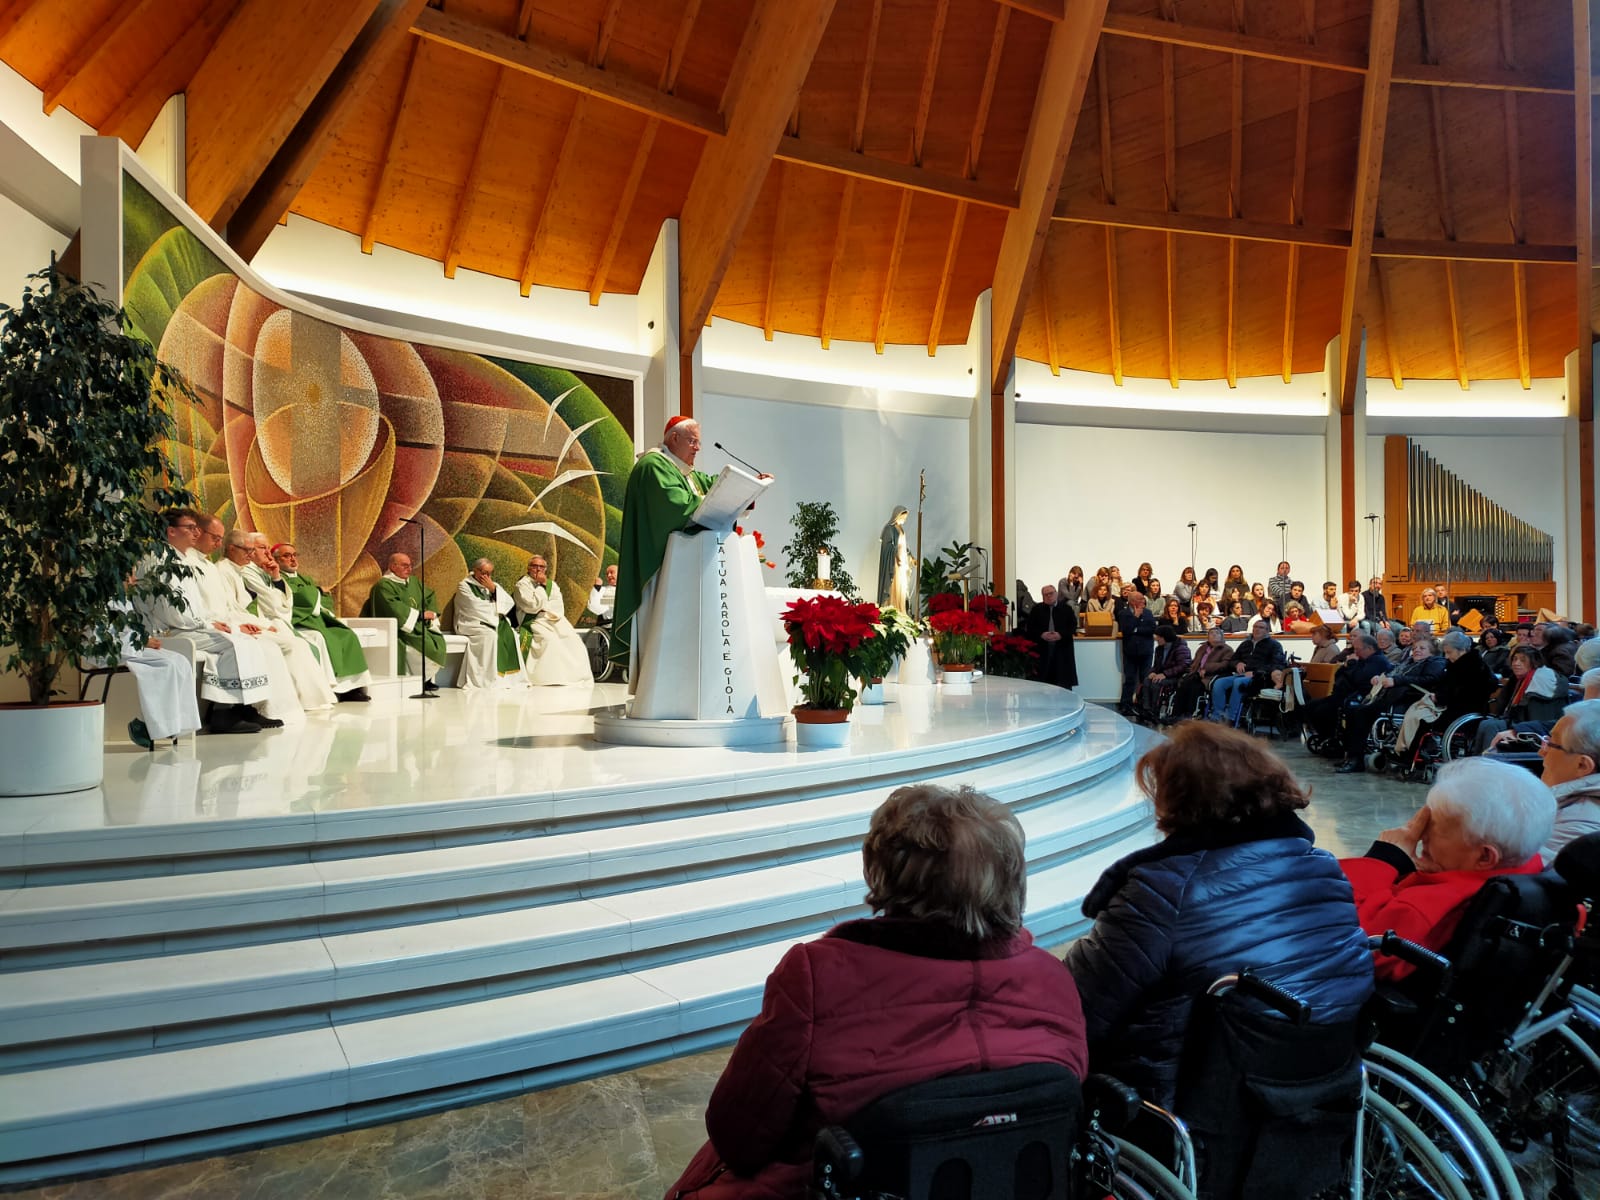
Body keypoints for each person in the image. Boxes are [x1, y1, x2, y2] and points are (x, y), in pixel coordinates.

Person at [667, 785, 1089, 1199]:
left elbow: (739, 1137)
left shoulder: (817, 977)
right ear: (1011, 878)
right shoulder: (1052, 978)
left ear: (884, 870)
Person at [1064, 723, 1373, 1107]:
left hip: (1187, 1106)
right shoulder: (1323, 868)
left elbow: (1077, 1012)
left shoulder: (1161, 891)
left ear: (1179, 800)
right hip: (1313, 1090)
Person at [1341, 758, 1555, 981]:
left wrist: (1382, 861)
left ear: (1484, 856)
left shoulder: (1424, 908)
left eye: (1432, 827)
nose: (1421, 835)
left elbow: (1336, 944)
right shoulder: (1528, 870)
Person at [133, 510, 281, 734]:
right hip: (166, 632)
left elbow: (196, 605)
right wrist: (209, 625)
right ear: (171, 531)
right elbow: (172, 611)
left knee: (244, 640)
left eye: (196, 528)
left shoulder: (181, 559)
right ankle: (223, 712)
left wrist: (212, 622)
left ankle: (242, 706)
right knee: (235, 643)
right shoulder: (160, 560)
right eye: (190, 528)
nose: (196, 532)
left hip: (188, 626)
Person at [614, 416, 722, 674]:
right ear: (674, 438)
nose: (698, 448)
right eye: (693, 441)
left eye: (699, 442)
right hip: (660, 570)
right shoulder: (654, 465)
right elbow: (678, 506)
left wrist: (747, 486)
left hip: (681, 569)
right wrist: (716, 504)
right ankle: (659, 686)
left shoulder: (684, 472)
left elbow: (712, 485)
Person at [215, 527, 337, 710]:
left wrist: (276, 578)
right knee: (293, 644)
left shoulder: (244, 570)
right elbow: (257, 605)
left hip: (260, 621)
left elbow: (279, 604)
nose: (266, 552)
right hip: (246, 623)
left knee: (300, 643)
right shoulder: (231, 571)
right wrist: (263, 624)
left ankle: (309, 698)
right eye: (259, 548)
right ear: (232, 549)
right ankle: (291, 702)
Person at [100, 590, 201, 750]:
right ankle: (145, 725)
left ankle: (173, 725)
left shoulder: (123, 597)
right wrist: (141, 641)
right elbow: (104, 636)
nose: (132, 580)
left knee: (181, 661)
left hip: (133, 646)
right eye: (129, 574)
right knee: (165, 666)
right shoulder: (99, 598)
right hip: (112, 650)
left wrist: (143, 638)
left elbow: (128, 628)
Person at [271, 543, 373, 701]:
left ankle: (353, 688)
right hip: (301, 621)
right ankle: (332, 689)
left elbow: (324, 600)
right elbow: (298, 598)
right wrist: (317, 591)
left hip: (316, 619)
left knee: (347, 635)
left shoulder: (304, 578)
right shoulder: (277, 580)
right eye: (286, 556)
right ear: (276, 560)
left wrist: (317, 594)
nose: (292, 559)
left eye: (294, 555)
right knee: (323, 637)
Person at [1334, 637, 1444, 774]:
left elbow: (1430, 679)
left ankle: (1356, 760)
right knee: (1351, 710)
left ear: (1432, 652)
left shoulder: (1435, 662)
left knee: (1360, 713)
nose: (1417, 651)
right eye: (1415, 648)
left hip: (1409, 701)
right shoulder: (1409, 662)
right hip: (1392, 698)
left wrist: (1396, 681)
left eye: (1422, 648)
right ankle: (1350, 755)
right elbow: (1392, 672)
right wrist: (1380, 677)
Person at [1393, 631, 1498, 761]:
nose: (1447, 657)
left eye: (1449, 652)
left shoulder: (1473, 667)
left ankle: (1409, 757)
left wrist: (1439, 697)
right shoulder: (1460, 664)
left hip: (1464, 711)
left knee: (1422, 721)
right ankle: (1405, 752)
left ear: (1461, 650)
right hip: (1453, 707)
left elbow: (1463, 694)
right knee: (1416, 712)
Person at [361, 551, 445, 691]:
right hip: (400, 627)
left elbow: (429, 595)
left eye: (410, 566)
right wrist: (420, 615)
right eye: (405, 566)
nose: (409, 569)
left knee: (436, 642)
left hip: (416, 624)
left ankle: (425, 677)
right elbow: (393, 608)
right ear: (393, 566)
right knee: (423, 646)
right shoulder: (384, 585)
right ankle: (420, 680)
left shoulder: (413, 582)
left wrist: (431, 613)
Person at [1300, 634, 1389, 751]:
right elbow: (1339, 675)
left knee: (1322, 711)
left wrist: (1351, 665)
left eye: (1357, 649)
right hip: (1344, 694)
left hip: (1358, 697)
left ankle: (1335, 740)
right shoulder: (1362, 659)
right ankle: (1327, 737)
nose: (1355, 653)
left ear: (1369, 649)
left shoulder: (1377, 661)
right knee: (1310, 706)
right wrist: (1347, 665)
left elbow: (1358, 679)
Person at [1536, 701, 1600, 862]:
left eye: (1551, 744)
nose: (1541, 752)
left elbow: (1511, 880)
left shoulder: (1577, 827)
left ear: (1582, 765)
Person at [513, 555, 592, 686]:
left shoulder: (551, 584)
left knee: (573, 639)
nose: (538, 569)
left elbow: (557, 604)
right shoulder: (522, 584)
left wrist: (543, 591)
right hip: (533, 620)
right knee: (550, 640)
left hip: (552, 618)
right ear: (528, 568)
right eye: (535, 566)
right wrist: (540, 587)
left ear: (545, 569)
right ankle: (546, 678)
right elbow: (531, 606)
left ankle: (571, 676)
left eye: (541, 566)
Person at [454, 558, 526, 689]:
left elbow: (508, 603)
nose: (486, 576)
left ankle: (506, 680)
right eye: (483, 572)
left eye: (489, 573)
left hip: (490, 622)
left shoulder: (491, 585)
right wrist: (495, 611)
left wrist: (493, 589)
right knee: (490, 636)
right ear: (475, 570)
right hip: (471, 622)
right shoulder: (464, 585)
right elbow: (474, 607)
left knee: (513, 636)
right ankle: (485, 678)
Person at [1209, 619, 1286, 727]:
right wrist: (1237, 664)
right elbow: (1232, 660)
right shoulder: (1245, 644)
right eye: (1255, 627)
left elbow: (1276, 664)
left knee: (1239, 683)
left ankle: (1231, 718)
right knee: (1219, 683)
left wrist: (1255, 673)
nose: (1257, 629)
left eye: (1261, 627)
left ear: (1267, 631)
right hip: (1240, 674)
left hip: (1259, 678)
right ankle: (1217, 716)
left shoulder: (1274, 645)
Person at [1171, 627, 1234, 722]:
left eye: (1217, 633)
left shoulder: (1227, 650)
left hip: (1210, 676)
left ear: (1222, 637)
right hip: (1196, 674)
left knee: (1195, 688)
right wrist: (1191, 669)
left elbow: (1225, 665)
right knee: (1183, 685)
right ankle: (1176, 715)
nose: (1214, 634)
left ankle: (1191, 714)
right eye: (1211, 633)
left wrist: (1206, 668)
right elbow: (1195, 662)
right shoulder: (1202, 648)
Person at [1024, 582, 1077, 689]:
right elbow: (1029, 629)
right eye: (1045, 594)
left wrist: (1061, 635)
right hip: (1042, 652)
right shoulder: (1036, 610)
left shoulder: (1066, 609)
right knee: (1043, 685)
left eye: (1051, 593)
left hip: (1062, 651)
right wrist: (1041, 635)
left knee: (1063, 684)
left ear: (1056, 594)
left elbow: (1073, 627)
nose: (1049, 596)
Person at [1137, 623, 1191, 724]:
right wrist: (1152, 672)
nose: (1156, 639)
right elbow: (1156, 665)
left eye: (1158, 637)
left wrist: (1165, 674)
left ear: (1165, 637)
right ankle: (1146, 709)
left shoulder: (1181, 648)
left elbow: (1183, 666)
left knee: (1156, 683)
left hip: (1175, 676)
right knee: (1147, 681)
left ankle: (1154, 710)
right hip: (1163, 675)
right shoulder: (1159, 649)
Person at [1115, 590, 1157, 716]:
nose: (1143, 601)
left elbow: (1151, 629)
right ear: (1132, 601)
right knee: (1130, 679)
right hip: (1130, 652)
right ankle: (1126, 705)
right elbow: (1126, 630)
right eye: (1140, 599)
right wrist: (1136, 617)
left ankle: (1143, 705)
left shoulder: (1148, 613)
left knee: (1145, 679)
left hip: (1146, 651)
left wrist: (1136, 629)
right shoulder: (1124, 613)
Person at [876, 505, 910, 610]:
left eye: (905, 518)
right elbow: (888, 546)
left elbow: (904, 547)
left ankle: (900, 609)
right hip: (893, 563)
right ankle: (891, 608)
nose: (904, 520)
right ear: (897, 516)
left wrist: (910, 557)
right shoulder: (889, 529)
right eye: (902, 517)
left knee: (901, 588)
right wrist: (897, 555)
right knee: (893, 586)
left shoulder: (901, 529)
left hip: (902, 564)